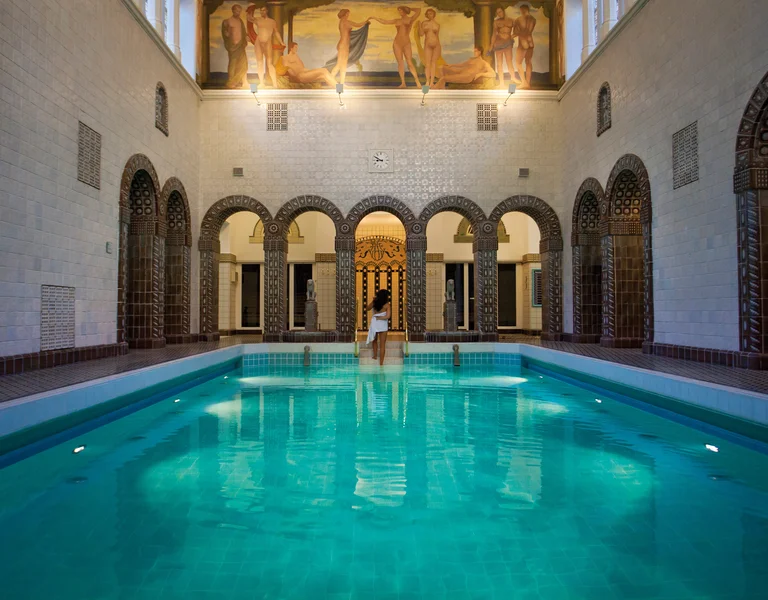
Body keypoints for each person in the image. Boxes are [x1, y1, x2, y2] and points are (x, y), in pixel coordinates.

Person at [372, 6, 422, 88]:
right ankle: (403, 83)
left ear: (405, 11)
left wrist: (409, 9)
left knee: (409, 62)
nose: (400, 12)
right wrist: (374, 18)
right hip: (397, 43)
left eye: (401, 11)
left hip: (406, 43)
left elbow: (419, 10)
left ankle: (417, 81)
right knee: (400, 63)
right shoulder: (397, 20)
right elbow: (385, 22)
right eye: (399, 11)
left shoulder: (410, 19)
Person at [329, 9, 373, 85]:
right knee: (339, 65)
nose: (348, 15)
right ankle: (331, 81)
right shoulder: (346, 22)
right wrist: (366, 21)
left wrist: (366, 22)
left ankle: (341, 84)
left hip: (344, 44)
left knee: (343, 65)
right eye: (348, 14)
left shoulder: (342, 22)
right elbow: (358, 24)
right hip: (343, 45)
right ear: (345, 14)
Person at [247, 6, 285, 88]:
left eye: (263, 10)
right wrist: (251, 9)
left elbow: (276, 32)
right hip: (258, 43)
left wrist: (281, 42)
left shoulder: (272, 22)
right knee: (259, 63)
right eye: (261, 10)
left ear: (267, 11)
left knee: (269, 64)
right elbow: (249, 18)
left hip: (267, 43)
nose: (262, 12)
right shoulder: (258, 20)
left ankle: (274, 83)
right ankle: (261, 83)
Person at [488, 6, 519, 87]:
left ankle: (513, 77)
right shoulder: (496, 22)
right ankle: (501, 83)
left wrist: (513, 36)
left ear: (503, 11)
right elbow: (494, 34)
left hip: (508, 43)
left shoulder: (512, 20)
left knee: (509, 61)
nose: (499, 14)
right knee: (499, 63)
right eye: (497, 13)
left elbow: (518, 30)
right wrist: (491, 46)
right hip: (498, 43)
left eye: (500, 12)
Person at [221, 4, 248, 89]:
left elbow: (243, 32)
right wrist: (227, 34)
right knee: (233, 64)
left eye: (239, 11)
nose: (238, 13)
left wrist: (246, 38)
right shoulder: (227, 21)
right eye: (236, 11)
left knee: (243, 64)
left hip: (241, 46)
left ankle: (244, 82)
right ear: (233, 11)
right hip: (233, 47)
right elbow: (225, 34)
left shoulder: (240, 21)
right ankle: (231, 82)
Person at [513, 3, 536, 89]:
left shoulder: (518, 19)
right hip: (530, 42)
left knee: (518, 63)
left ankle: (524, 82)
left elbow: (516, 32)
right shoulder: (533, 19)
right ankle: (528, 83)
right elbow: (528, 31)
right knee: (528, 62)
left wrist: (511, 36)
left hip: (523, 43)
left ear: (522, 10)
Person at [366, 289, 391, 366]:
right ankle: (381, 363)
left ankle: (375, 356)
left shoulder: (374, 303)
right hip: (382, 324)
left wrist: (373, 300)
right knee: (382, 345)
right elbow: (388, 316)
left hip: (375, 322)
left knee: (374, 340)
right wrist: (380, 318)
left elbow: (367, 308)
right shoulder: (387, 305)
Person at [418, 9, 441, 88]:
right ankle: (427, 81)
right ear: (426, 15)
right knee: (428, 64)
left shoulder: (437, 25)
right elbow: (421, 34)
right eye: (428, 14)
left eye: (431, 13)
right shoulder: (424, 23)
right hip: (428, 44)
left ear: (434, 14)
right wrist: (419, 26)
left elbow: (437, 36)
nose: (429, 15)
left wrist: (439, 47)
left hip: (436, 45)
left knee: (433, 64)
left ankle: (432, 82)